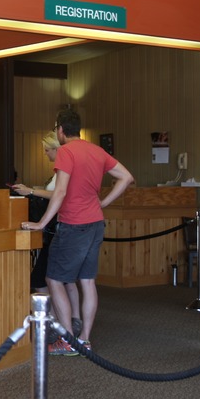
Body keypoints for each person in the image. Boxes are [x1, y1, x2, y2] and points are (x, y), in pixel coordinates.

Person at [22, 109, 134, 355]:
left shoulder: (66, 152)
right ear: (79, 129)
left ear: (60, 130)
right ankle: (84, 340)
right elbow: (126, 178)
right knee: (87, 281)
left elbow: (60, 192)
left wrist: (41, 223)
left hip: (74, 225)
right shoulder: (96, 150)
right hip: (96, 224)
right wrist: (103, 203)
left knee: (53, 279)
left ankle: (68, 340)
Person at [11, 131, 81, 337]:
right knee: (66, 280)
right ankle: (70, 321)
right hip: (60, 228)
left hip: (59, 228)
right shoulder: (61, 170)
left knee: (45, 279)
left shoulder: (63, 171)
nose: (45, 154)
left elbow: (59, 194)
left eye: (47, 150)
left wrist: (31, 191)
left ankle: (56, 322)